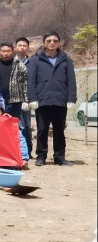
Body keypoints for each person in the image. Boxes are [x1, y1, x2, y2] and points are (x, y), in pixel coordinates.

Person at [27, 31, 77, 166]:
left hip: (60, 101)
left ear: (59, 43)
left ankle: (59, 157)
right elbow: (31, 82)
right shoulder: (36, 60)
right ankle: (41, 156)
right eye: (49, 41)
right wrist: (32, 98)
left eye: (55, 41)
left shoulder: (66, 59)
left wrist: (71, 98)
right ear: (44, 43)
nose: (52, 43)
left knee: (59, 131)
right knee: (42, 130)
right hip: (42, 101)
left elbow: (71, 81)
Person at [0, 42, 31, 155]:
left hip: (16, 101)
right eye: (3, 51)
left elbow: (25, 84)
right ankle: (2, 150)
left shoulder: (20, 65)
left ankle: (22, 151)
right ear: (0, 52)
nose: (6, 53)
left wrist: (26, 100)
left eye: (8, 51)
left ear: (12, 51)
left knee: (18, 126)